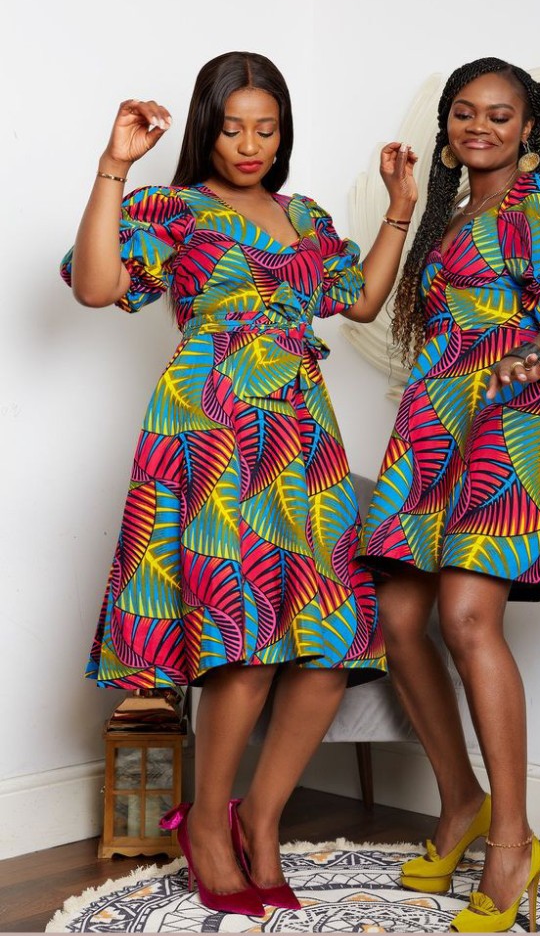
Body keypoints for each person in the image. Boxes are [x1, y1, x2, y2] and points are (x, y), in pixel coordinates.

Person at [60, 50, 417, 916]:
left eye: (266, 128)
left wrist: (400, 210)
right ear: (206, 130)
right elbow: (98, 286)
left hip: (304, 436)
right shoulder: (175, 209)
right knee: (245, 640)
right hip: (213, 428)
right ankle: (207, 822)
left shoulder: (305, 216)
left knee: (332, 643)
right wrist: (113, 166)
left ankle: (260, 815)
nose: (250, 144)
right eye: (232, 128)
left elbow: (360, 301)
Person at [359, 57, 540, 933]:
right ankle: (461, 800)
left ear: (528, 128)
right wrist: (400, 202)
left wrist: (537, 355)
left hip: (506, 415)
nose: (479, 125)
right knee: (397, 616)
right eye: (464, 111)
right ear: (447, 126)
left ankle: (513, 842)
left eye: (499, 113)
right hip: (434, 419)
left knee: (467, 619)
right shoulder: (449, 213)